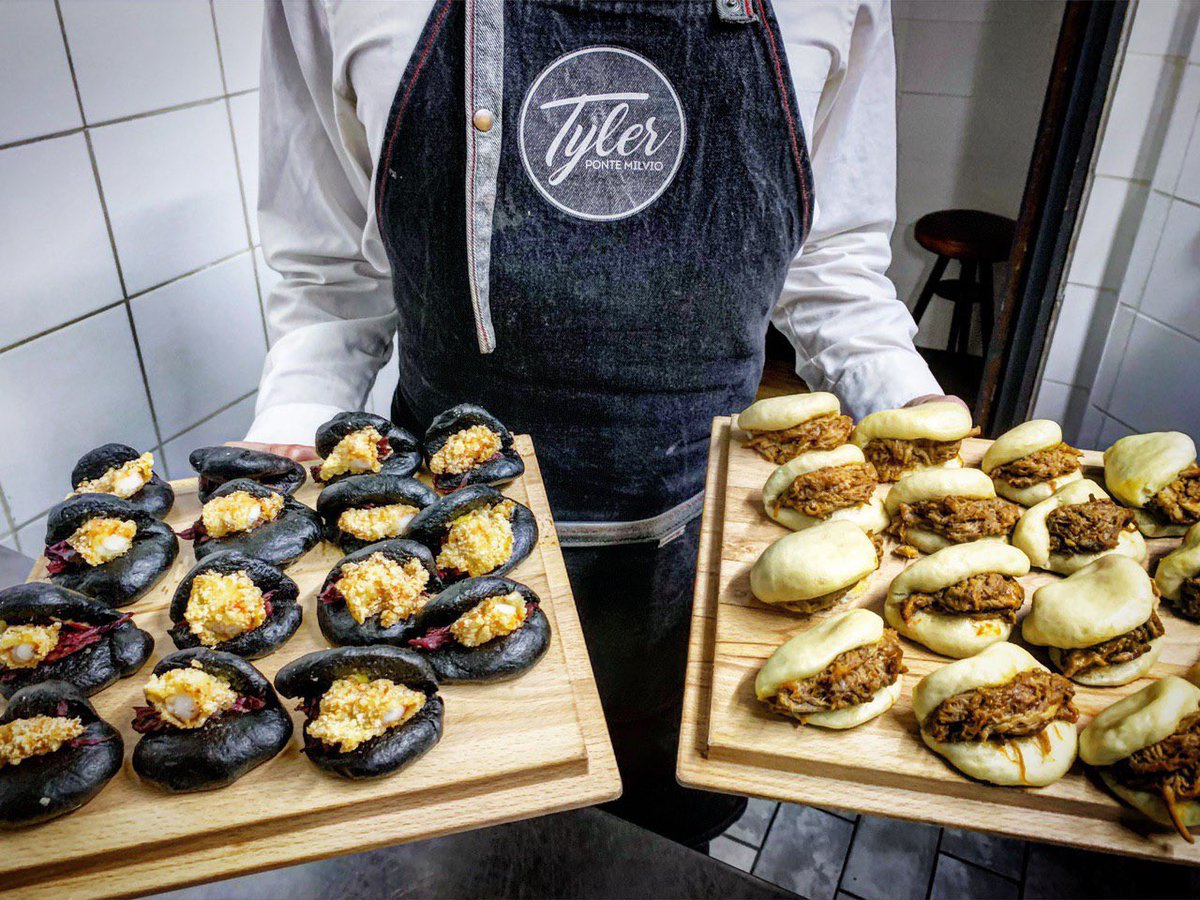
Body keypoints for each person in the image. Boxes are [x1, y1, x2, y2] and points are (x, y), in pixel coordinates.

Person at [240, 0, 958, 847]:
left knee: (658, 844)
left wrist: (909, 409)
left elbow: (830, 257)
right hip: (435, 534)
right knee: (459, 836)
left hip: (701, 540)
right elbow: (330, 276)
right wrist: (291, 434)